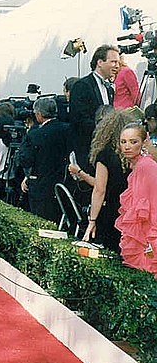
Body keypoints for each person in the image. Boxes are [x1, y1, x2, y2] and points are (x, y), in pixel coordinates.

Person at [68, 109, 133, 252]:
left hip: (110, 211)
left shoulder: (105, 155)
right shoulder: (133, 156)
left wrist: (92, 220)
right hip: (131, 211)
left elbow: (99, 189)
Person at [115, 122, 157, 277]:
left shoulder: (146, 166)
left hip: (149, 237)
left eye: (133, 142)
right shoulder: (139, 166)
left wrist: (151, 242)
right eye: (123, 142)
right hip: (145, 236)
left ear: (143, 142)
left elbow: (153, 206)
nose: (127, 146)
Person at [19, 98, 70, 223]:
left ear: (39, 114)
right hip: (64, 183)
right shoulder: (67, 129)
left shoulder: (34, 135)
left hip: (41, 186)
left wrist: (27, 176)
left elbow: (26, 160)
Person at [69, 45, 120, 168]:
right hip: (87, 150)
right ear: (100, 62)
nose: (117, 66)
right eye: (113, 62)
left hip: (105, 149)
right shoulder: (82, 86)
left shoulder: (109, 88)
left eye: (118, 62)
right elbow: (79, 120)